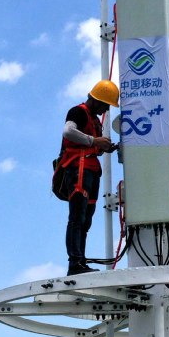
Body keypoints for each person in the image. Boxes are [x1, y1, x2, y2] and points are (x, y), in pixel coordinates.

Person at [57, 80, 118, 275]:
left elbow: (92, 146)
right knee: (77, 217)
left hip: (90, 170)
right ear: (96, 100)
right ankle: (75, 263)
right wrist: (94, 140)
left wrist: (102, 146)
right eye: (105, 105)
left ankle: (80, 262)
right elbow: (68, 131)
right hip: (78, 170)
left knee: (85, 220)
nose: (105, 110)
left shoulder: (93, 119)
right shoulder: (78, 111)